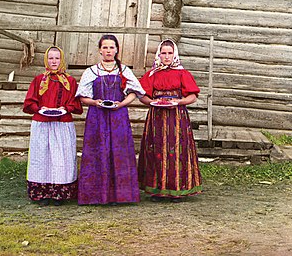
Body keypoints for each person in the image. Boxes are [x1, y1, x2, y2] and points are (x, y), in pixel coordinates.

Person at [75, 34, 145, 205]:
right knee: (98, 151)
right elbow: (83, 97)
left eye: (111, 47)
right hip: (97, 117)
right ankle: (96, 195)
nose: (108, 50)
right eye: (105, 47)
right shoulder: (91, 71)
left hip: (118, 117)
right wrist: (95, 102)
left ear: (116, 50)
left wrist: (121, 105)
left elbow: (134, 92)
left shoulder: (124, 71)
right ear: (100, 50)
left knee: (118, 152)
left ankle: (120, 196)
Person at [138, 39, 202, 202]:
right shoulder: (152, 74)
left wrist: (179, 102)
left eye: (170, 53)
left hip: (176, 117)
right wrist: (152, 102)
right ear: (159, 54)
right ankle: (157, 189)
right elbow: (142, 96)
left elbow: (193, 96)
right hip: (157, 117)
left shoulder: (182, 73)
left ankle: (177, 189)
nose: (166, 57)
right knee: (157, 150)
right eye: (164, 53)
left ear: (175, 54)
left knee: (176, 151)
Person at [23, 46, 83, 206]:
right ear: (46, 60)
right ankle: (42, 193)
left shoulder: (69, 81)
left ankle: (59, 193)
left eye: (57, 58)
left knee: (60, 157)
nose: (54, 61)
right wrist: (40, 109)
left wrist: (65, 108)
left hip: (62, 125)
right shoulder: (38, 80)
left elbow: (75, 103)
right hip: (42, 124)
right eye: (51, 58)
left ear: (61, 60)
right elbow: (30, 101)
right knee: (41, 157)